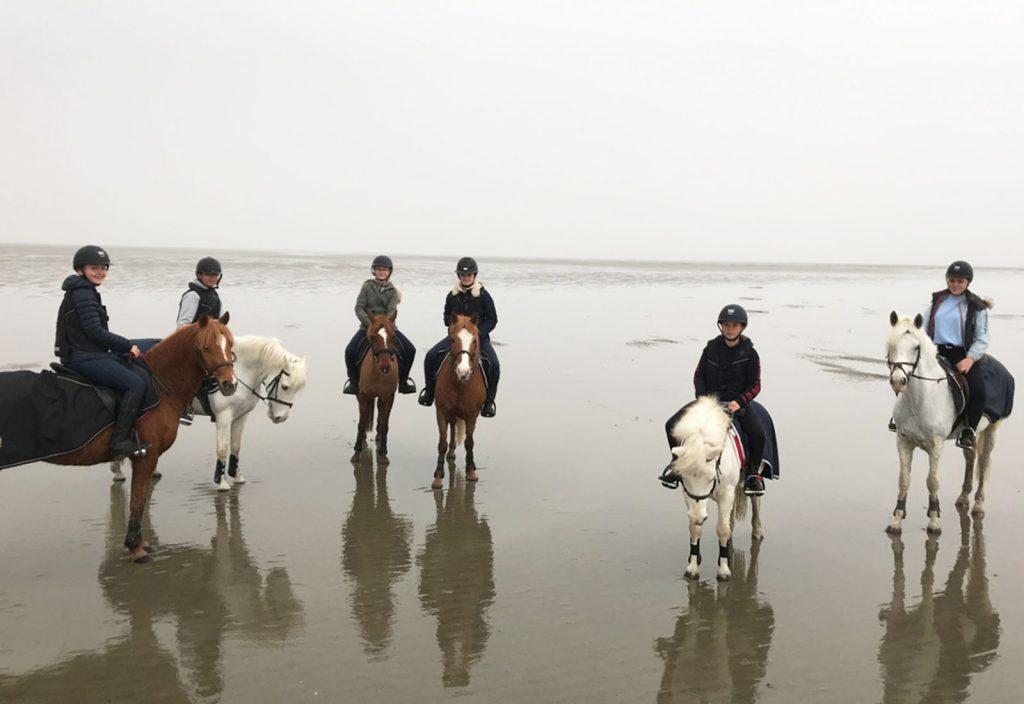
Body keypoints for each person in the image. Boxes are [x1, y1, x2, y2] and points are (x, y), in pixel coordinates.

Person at [54, 245, 153, 458]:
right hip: (82, 357)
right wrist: (126, 345)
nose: (100, 272)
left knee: (148, 348)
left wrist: (125, 347)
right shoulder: (83, 293)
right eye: (94, 268)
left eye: (103, 268)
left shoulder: (85, 290)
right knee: (135, 384)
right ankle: (119, 442)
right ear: (81, 269)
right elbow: (94, 331)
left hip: (90, 351)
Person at [659, 304, 767, 496]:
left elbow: (755, 384)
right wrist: (702, 399)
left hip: (736, 404)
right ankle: (677, 466)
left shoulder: (751, 353)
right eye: (726, 324)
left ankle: (753, 476)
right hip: (708, 402)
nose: (730, 328)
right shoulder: (710, 348)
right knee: (671, 425)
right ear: (721, 326)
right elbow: (699, 375)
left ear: (742, 327)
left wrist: (740, 401)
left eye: (734, 325)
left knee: (758, 435)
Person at [417, 256, 500, 417]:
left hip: (478, 339)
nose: (466, 277)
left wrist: (477, 333)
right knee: (430, 356)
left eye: (469, 275)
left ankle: (489, 402)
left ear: (474, 275)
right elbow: (446, 317)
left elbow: (492, 319)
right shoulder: (452, 295)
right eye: (463, 275)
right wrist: (454, 328)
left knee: (494, 365)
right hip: (456, 339)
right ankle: (429, 392)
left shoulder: (483, 295)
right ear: (459, 277)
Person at [920, 260, 989, 449]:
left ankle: (969, 431)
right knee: (909, 377)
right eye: (952, 280)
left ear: (968, 282)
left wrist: (970, 359)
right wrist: (924, 348)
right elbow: (923, 328)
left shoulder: (977, 306)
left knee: (978, 390)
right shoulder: (937, 301)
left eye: (960, 281)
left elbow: (982, 338)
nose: (955, 285)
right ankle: (901, 418)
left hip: (962, 354)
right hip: (935, 351)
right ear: (947, 280)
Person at [343, 255, 417, 395]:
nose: (381, 272)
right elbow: (359, 308)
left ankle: (403, 381)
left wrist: (384, 325)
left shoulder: (393, 291)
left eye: (384, 269)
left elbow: (391, 312)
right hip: (367, 327)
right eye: (378, 269)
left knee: (410, 349)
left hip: (388, 328)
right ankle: (353, 383)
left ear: (390, 272)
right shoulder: (366, 287)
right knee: (350, 351)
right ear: (374, 271)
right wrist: (370, 324)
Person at [176, 256, 225, 424]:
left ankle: (215, 405)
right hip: (190, 342)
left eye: (216, 275)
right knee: (191, 370)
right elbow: (182, 325)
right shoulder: (193, 295)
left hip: (209, 343)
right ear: (199, 275)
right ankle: (184, 407)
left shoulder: (215, 296)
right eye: (209, 275)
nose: (213, 278)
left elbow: (218, 323)